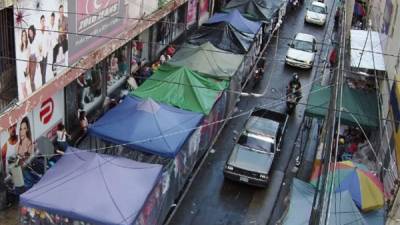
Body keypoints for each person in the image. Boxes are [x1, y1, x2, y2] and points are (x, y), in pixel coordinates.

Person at [19, 29, 32, 98]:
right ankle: (25, 101)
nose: (24, 37)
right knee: (22, 87)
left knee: (26, 87)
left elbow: (28, 60)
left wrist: (27, 70)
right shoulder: (20, 46)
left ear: (26, 37)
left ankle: (28, 101)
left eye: (25, 35)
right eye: (22, 35)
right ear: (21, 37)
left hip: (25, 68)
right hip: (20, 69)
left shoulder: (28, 47)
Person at [37, 15, 49, 85]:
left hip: (45, 54)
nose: (43, 22)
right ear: (40, 21)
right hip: (40, 54)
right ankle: (43, 82)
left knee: (44, 70)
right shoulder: (38, 31)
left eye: (44, 21)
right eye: (42, 21)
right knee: (42, 71)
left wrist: (47, 51)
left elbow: (48, 41)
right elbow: (37, 43)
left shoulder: (47, 30)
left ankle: (43, 83)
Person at [27, 25, 37, 92]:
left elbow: (37, 50)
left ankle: (34, 92)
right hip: (29, 59)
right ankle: (33, 91)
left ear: (33, 32)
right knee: (29, 78)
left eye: (31, 32)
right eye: (29, 32)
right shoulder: (28, 40)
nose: (30, 33)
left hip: (33, 59)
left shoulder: (35, 39)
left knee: (32, 79)